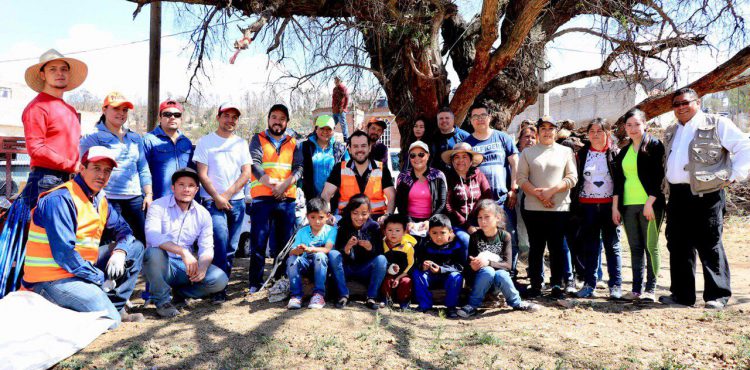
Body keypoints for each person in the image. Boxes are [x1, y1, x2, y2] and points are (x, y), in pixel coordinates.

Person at [22, 146, 145, 329]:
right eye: (96, 168)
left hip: (79, 270)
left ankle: (113, 306)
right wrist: (99, 278)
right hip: (51, 278)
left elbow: (125, 231)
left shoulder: (99, 199)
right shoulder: (61, 199)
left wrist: (120, 251)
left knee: (135, 248)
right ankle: (68, 307)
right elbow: (64, 255)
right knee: (110, 323)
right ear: (82, 168)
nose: (102, 175)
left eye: (107, 171)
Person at [659, 88, 750, 309]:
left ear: (697, 103)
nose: (680, 107)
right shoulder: (672, 130)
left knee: (709, 243)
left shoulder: (717, 123)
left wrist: (735, 176)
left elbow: (745, 146)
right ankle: (682, 295)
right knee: (678, 244)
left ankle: (717, 295)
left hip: (706, 195)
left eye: (685, 103)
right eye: (676, 104)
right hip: (678, 195)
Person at [142, 167, 228, 318]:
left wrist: (202, 267)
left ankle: (180, 294)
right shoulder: (158, 206)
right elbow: (152, 236)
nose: (186, 189)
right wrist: (183, 251)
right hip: (162, 265)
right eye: (181, 184)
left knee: (219, 279)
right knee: (153, 252)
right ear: (173, 187)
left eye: (191, 185)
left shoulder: (203, 214)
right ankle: (162, 302)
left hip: (185, 267)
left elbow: (207, 246)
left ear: (196, 190)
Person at [194, 102, 252, 302]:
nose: (230, 120)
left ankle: (222, 284)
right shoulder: (206, 142)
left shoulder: (241, 144)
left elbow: (246, 173)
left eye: (234, 117)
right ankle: (217, 289)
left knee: (231, 247)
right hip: (212, 202)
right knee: (218, 242)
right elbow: (202, 174)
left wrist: (226, 195)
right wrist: (217, 197)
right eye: (226, 116)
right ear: (218, 117)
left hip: (236, 203)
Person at [80, 92, 153, 243]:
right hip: (107, 198)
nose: (121, 113)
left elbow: (142, 167)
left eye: (125, 110)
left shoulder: (135, 138)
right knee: (108, 243)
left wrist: (148, 193)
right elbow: (84, 168)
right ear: (104, 110)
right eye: (116, 109)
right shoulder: (92, 137)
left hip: (135, 199)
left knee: (140, 241)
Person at [518, 116, 577, 299]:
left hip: (558, 208)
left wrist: (551, 191)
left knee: (557, 247)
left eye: (550, 128)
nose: (546, 131)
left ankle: (557, 285)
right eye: (542, 128)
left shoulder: (565, 151)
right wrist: (539, 195)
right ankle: (536, 285)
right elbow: (521, 179)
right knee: (536, 247)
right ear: (537, 131)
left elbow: (572, 178)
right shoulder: (528, 153)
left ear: (555, 131)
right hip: (533, 208)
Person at [20, 49, 88, 210]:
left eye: (64, 69)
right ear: (43, 75)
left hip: (70, 179)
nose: (59, 73)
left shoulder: (70, 110)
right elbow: (36, 149)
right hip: (46, 179)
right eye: (53, 69)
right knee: (46, 235)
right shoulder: (37, 107)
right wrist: (72, 165)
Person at [611, 109, 665, 303]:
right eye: (629, 125)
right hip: (627, 206)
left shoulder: (654, 145)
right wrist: (615, 207)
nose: (633, 129)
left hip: (649, 205)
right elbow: (618, 181)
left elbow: (660, 176)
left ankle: (650, 289)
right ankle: (636, 290)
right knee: (635, 248)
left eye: (637, 124)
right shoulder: (624, 151)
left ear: (645, 125)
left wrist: (650, 202)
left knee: (651, 246)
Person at [247, 104, 303, 293]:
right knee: (258, 242)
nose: (277, 121)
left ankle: (279, 280)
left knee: (284, 243)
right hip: (263, 199)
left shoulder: (294, 142)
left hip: (286, 199)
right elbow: (254, 164)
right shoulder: (258, 139)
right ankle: (255, 283)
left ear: (287, 122)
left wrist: (284, 186)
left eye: (282, 118)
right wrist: (273, 185)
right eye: (274, 117)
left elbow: (299, 168)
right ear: (268, 119)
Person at [462, 103, 520, 274]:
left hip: (503, 200)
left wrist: (513, 188)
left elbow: (515, 163)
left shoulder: (503, 138)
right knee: (482, 241)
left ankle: (511, 274)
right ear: (470, 120)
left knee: (510, 238)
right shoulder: (466, 143)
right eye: (475, 116)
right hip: (478, 204)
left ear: (489, 117)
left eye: (483, 115)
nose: (480, 119)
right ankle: (485, 277)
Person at [457, 200, 540, 317]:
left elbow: (507, 265)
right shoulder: (475, 237)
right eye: (479, 218)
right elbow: (469, 264)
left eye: (487, 217)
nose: (483, 221)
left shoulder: (505, 236)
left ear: (497, 218)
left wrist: (488, 262)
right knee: (487, 271)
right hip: (480, 281)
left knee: (501, 273)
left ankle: (517, 303)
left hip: (498, 283)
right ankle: (472, 305)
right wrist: (473, 266)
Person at [571, 118, 622, 299]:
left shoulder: (616, 153)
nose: (595, 134)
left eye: (599, 131)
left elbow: (620, 182)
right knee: (590, 247)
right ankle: (589, 284)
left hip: (610, 206)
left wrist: (618, 207)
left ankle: (615, 285)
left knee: (612, 245)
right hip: (587, 207)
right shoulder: (582, 153)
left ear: (607, 133)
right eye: (591, 131)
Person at [321, 130, 396, 222]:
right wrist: (327, 215)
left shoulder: (381, 169)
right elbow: (326, 194)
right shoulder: (339, 168)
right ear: (350, 149)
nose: (359, 149)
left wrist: (387, 215)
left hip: (376, 220)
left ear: (369, 148)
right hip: (347, 220)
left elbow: (392, 197)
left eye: (363, 146)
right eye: (355, 146)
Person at [328, 194, 387, 309]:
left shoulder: (374, 227)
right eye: (355, 213)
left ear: (369, 212)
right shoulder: (342, 225)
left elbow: (380, 252)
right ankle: (343, 295)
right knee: (333, 254)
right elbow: (338, 252)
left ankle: (371, 297)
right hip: (347, 268)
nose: (359, 217)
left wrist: (370, 247)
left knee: (381, 259)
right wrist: (347, 248)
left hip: (365, 269)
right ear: (350, 212)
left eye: (364, 214)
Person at [286, 198, 337, 309]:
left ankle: (319, 294)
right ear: (307, 216)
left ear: (328, 216)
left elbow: (327, 249)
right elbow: (291, 252)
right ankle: (296, 296)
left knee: (320, 255)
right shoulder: (302, 231)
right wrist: (298, 250)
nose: (317, 221)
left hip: (322, 265)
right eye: (313, 217)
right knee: (291, 260)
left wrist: (310, 249)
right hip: (305, 263)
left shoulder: (331, 230)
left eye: (321, 217)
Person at [412, 214, 467, 317]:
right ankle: (425, 305)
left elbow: (460, 266)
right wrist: (422, 266)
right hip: (430, 277)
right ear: (429, 233)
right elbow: (417, 261)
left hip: (448, 277)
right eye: (434, 233)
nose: (438, 237)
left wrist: (441, 269)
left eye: (443, 233)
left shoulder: (456, 246)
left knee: (457, 276)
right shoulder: (425, 244)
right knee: (417, 273)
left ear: (450, 232)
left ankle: (451, 307)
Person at [442, 142, 491, 250]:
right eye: (457, 157)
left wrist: (483, 223)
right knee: (466, 240)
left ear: (471, 161)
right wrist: (468, 226)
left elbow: (487, 199)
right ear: (452, 161)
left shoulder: (479, 175)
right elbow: (448, 206)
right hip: (457, 224)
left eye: (464, 157)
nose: (460, 160)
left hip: (479, 222)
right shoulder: (448, 178)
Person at [143, 99, 194, 200]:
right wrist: (147, 195)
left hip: (183, 201)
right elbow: (142, 171)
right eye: (167, 114)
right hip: (159, 201)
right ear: (160, 117)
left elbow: (192, 172)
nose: (172, 117)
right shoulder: (148, 140)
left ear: (181, 119)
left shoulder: (186, 142)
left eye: (177, 115)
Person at [394, 141, 447, 236]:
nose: (417, 158)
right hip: (409, 222)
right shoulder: (403, 177)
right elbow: (400, 204)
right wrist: (409, 221)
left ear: (428, 156)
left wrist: (429, 221)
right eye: (413, 155)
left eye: (421, 155)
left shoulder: (438, 175)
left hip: (433, 221)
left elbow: (442, 203)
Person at [300, 115, 348, 202]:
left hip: (334, 200)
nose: (325, 132)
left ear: (333, 130)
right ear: (316, 129)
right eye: (322, 128)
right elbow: (297, 169)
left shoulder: (340, 149)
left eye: (329, 129)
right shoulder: (305, 147)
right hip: (310, 199)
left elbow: (349, 171)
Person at [380, 213, 418, 310]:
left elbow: (411, 265)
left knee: (406, 282)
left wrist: (399, 277)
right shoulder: (382, 244)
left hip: (403, 274)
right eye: (390, 230)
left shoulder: (408, 247)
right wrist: (389, 269)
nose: (393, 233)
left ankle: (404, 302)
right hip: (388, 272)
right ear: (384, 231)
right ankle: (386, 300)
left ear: (405, 232)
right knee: (387, 281)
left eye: (397, 230)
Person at [515, 126, 537, 255]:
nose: (530, 140)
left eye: (533, 137)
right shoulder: (514, 157)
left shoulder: (539, 156)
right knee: (520, 226)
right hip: (518, 196)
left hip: (536, 197)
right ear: (520, 139)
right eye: (527, 137)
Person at [432, 107, 470, 173]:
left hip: (459, 178)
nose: (444, 120)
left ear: (453, 120)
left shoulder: (465, 136)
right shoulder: (433, 138)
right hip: (438, 179)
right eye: (441, 118)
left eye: (447, 118)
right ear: (437, 121)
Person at [331, 76, 350, 142]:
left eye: (337, 80)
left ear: (340, 81)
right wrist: (333, 108)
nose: (335, 82)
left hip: (341, 110)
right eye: (335, 80)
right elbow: (333, 99)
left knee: (343, 124)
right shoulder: (334, 89)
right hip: (335, 110)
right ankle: (330, 135)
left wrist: (344, 108)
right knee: (332, 124)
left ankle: (346, 138)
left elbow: (347, 98)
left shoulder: (343, 88)